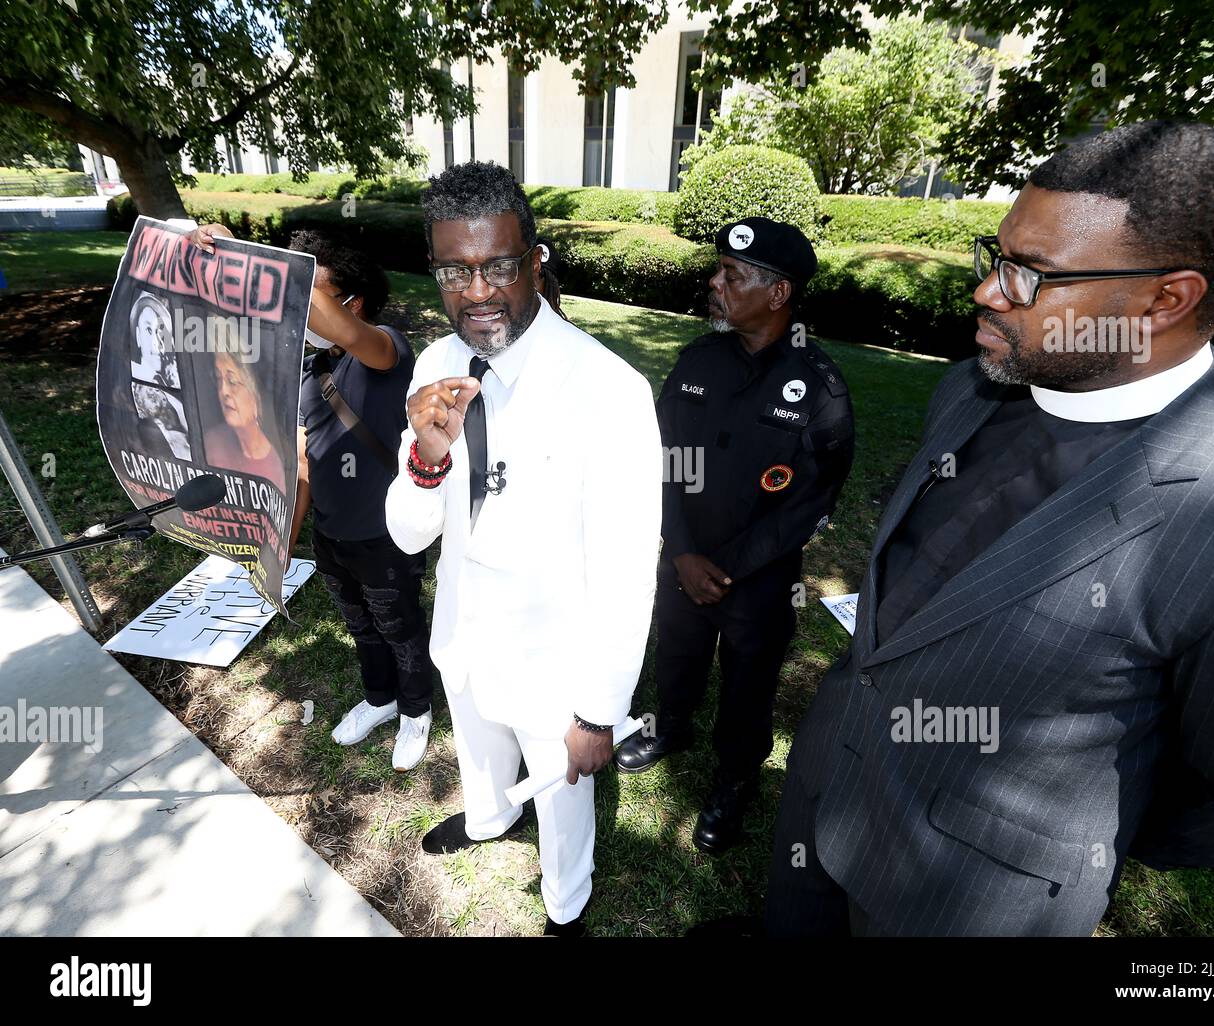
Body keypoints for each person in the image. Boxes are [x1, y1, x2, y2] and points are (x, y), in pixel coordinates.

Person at [762, 121, 1214, 937]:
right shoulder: (969, 389)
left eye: (1031, 274)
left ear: (1167, 299)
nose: (988, 291)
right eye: (997, 255)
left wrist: (1062, 837)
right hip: (823, 793)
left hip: (970, 903)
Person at [385, 161, 662, 936]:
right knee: (480, 758)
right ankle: (487, 822)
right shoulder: (435, 365)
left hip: (553, 664)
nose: (477, 292)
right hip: (463, 635)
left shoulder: (608, 390)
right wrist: (427, 458)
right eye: (455, 271)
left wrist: (599, 713)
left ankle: (566, 901)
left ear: (536, 261)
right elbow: (408, 532)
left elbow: (627, 571)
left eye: (499, 266)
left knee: (562, 802)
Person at [616, 217, 855, 856]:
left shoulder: (820, 388)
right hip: (684, 557)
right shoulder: (698, 361)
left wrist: (726, 567)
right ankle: (671, 726)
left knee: (750, 681)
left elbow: (812, 501)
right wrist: (682, 552)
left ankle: (736, 777)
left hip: (758, 577)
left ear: (778, 293)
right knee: (678, 652)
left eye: (732, 275)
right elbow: (659, 459)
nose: (714, 283)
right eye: (718, 270)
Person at [189, 222, 435, 773]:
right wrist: (282, 542)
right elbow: (303, 460)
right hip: (332, 533)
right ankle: (381, 698)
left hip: (384, 534)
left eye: (309, 293)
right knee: (361, 625)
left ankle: (416, 710)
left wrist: (258, 264)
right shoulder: (309, 367)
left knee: (399, 627)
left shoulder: (386, 349)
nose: (296, 309)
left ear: (354, 302)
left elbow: (348, 333)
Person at [205, 345, 287, 493]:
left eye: (232, 381)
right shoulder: (212, 441)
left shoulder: (275, 466)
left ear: (257, 394)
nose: (224, 391)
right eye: (218, 379)